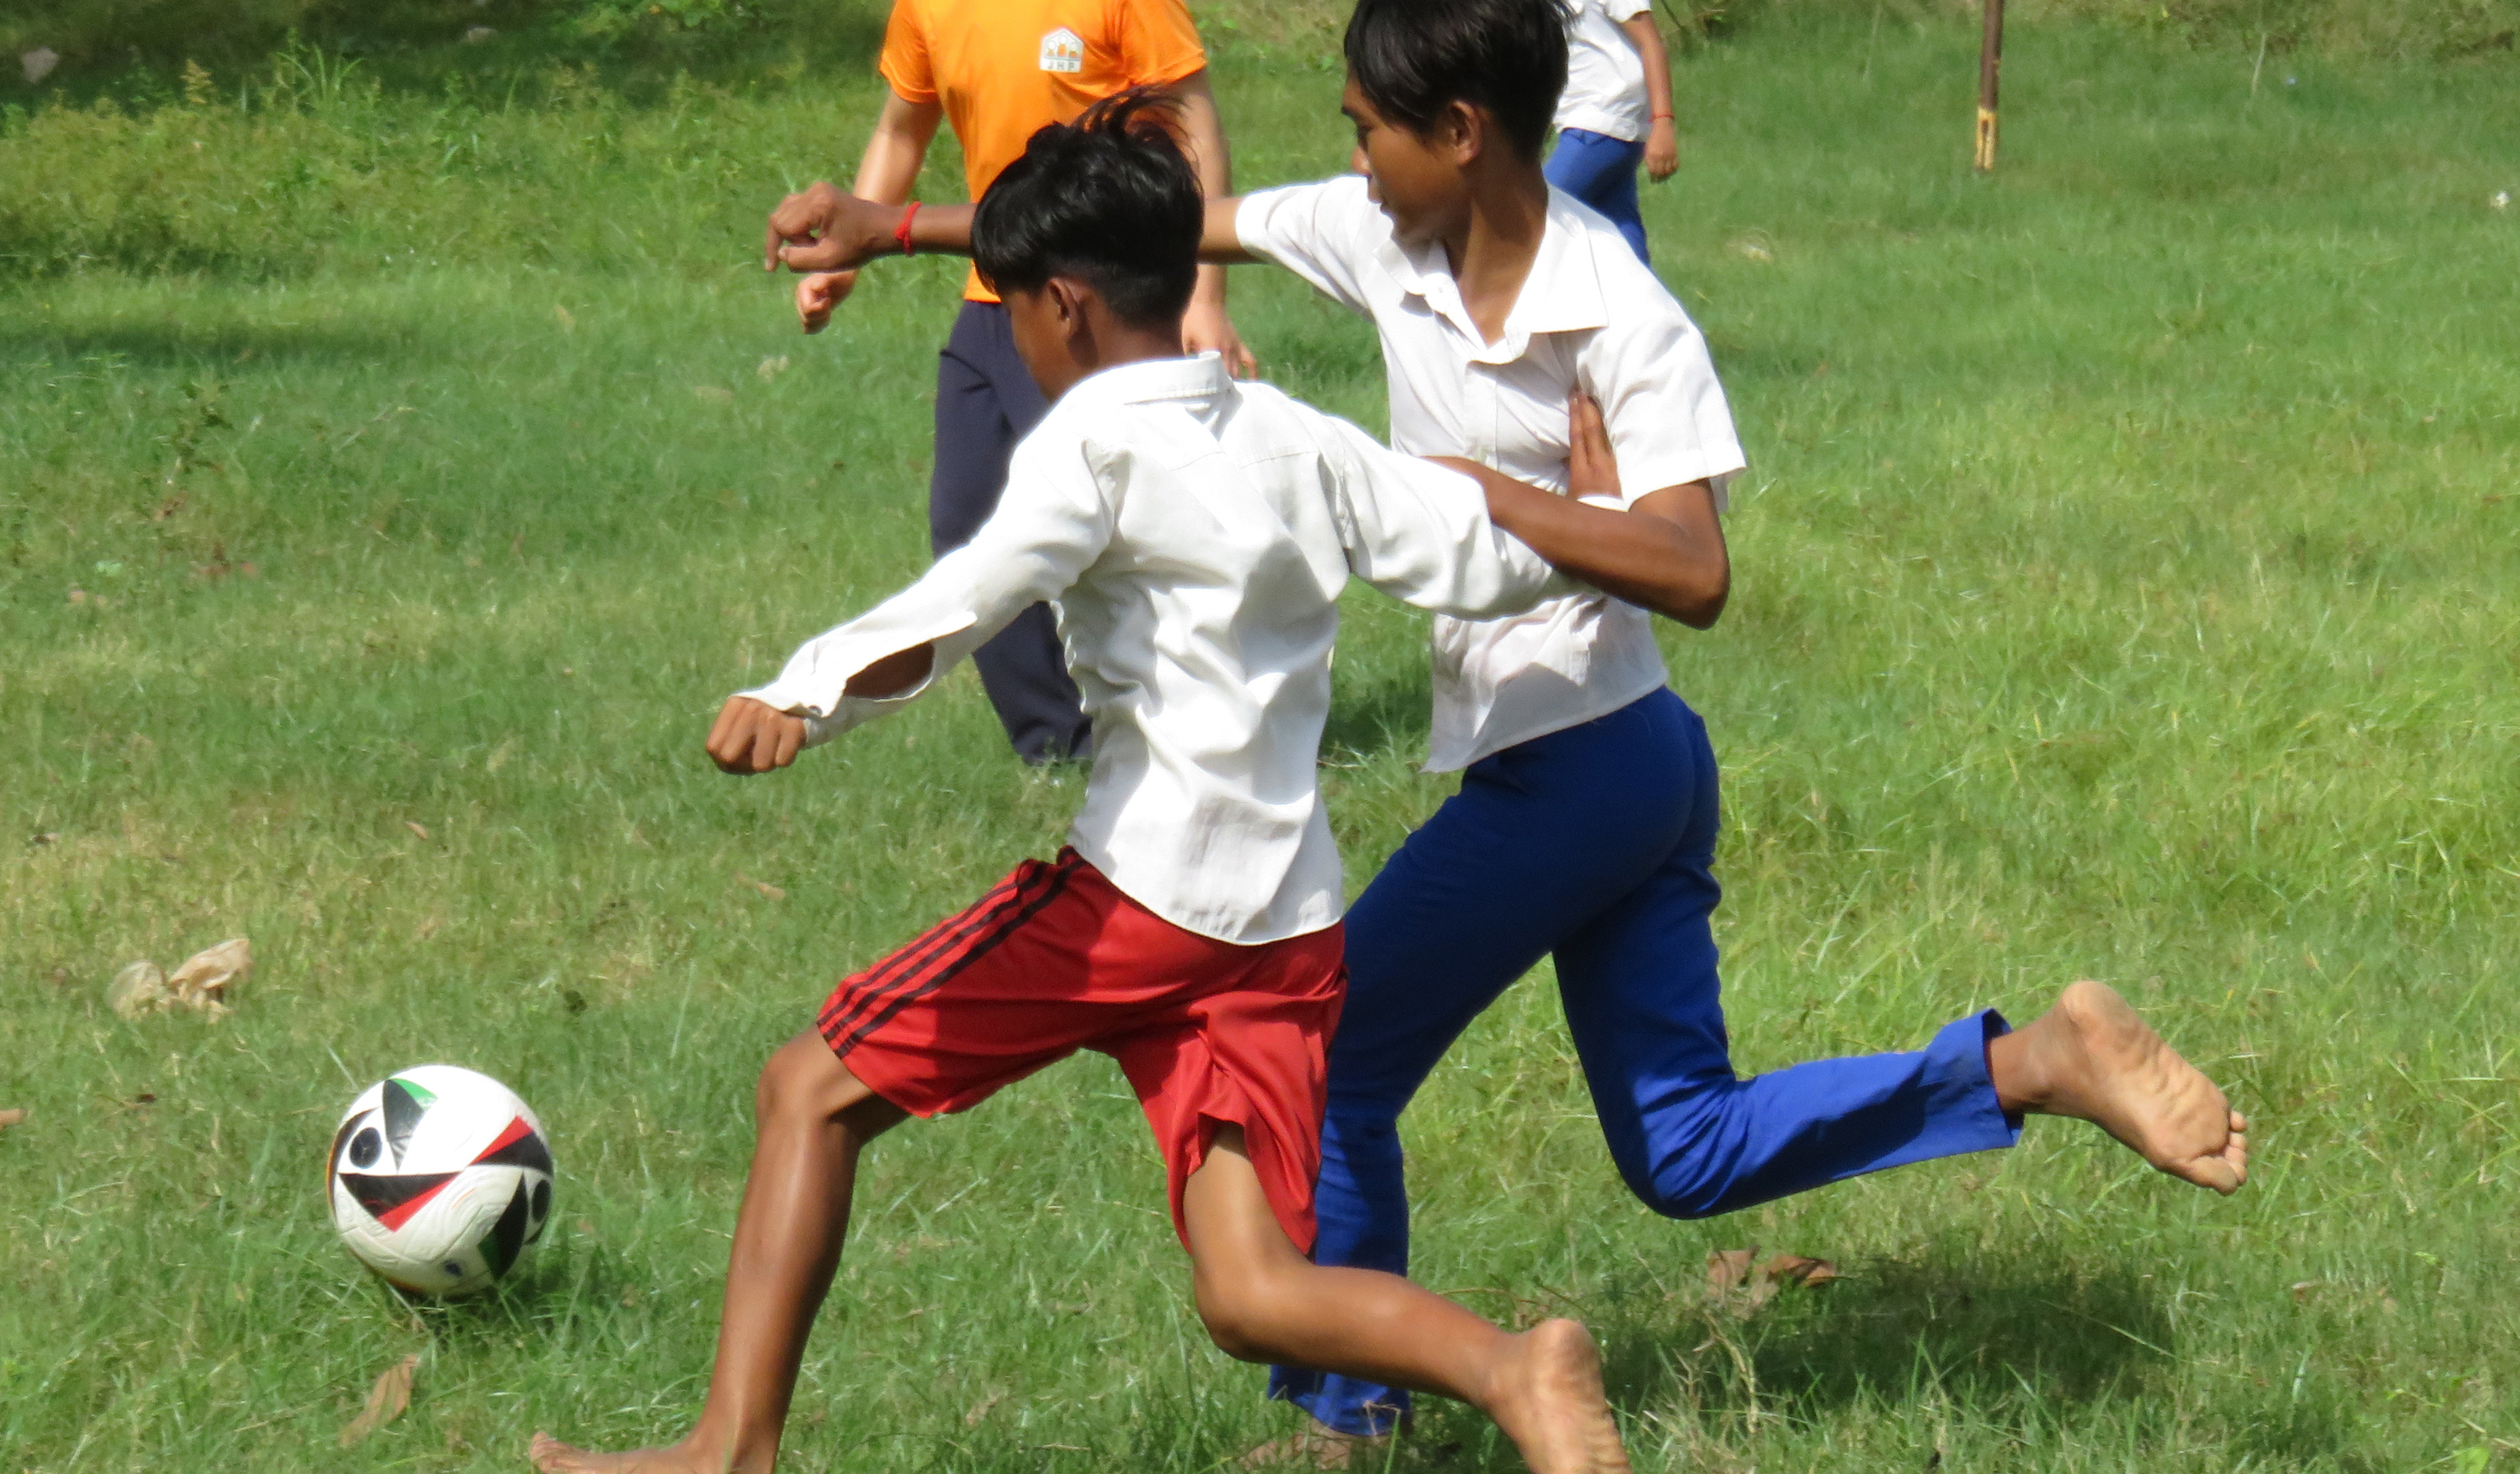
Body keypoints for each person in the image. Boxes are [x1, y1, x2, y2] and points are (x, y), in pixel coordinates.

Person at [761, 0, 2250, 1455]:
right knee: (1683, 1146)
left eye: (1365, 132)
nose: (1346, 165)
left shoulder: (1622, 312)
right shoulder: (1381, 234)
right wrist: (893, 232)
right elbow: (1163, 239)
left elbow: (1693, 567)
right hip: (1628, 764)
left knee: (1333, 1060)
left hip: (1580, 764)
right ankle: (2033, 1062)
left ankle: (1349, 1422)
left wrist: (1489, 487)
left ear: (1458, 131)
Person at [533, 96, 1641, 1474]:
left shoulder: (1092, 441)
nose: (1006, 337)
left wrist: (800, 693)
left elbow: (965, 602)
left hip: (1139, 904)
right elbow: (1474, 552)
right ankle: (1514, 1366)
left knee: (805, 1090)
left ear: (1060, 306)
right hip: (1285, 923)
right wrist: (1591, 528)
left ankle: (725, 1453)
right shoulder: (1295, 433)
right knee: (1245, 1296)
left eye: (1006, 310)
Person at [785, 0, 1254, 765]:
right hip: (997, 297)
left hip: (1106, 298)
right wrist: (846, 255)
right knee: (967, 514)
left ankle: (1208, 722)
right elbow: (901, 127)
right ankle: (1059, 745)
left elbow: (1192, 124)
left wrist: (1203, 296)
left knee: (1137, 521)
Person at [1545, 0, 1676, 265]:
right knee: (1621, 236)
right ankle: (1644, 303)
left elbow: (1650, 43)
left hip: (1604, 120)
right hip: (1588, 122)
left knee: (1537, 216)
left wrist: (1663, 122)